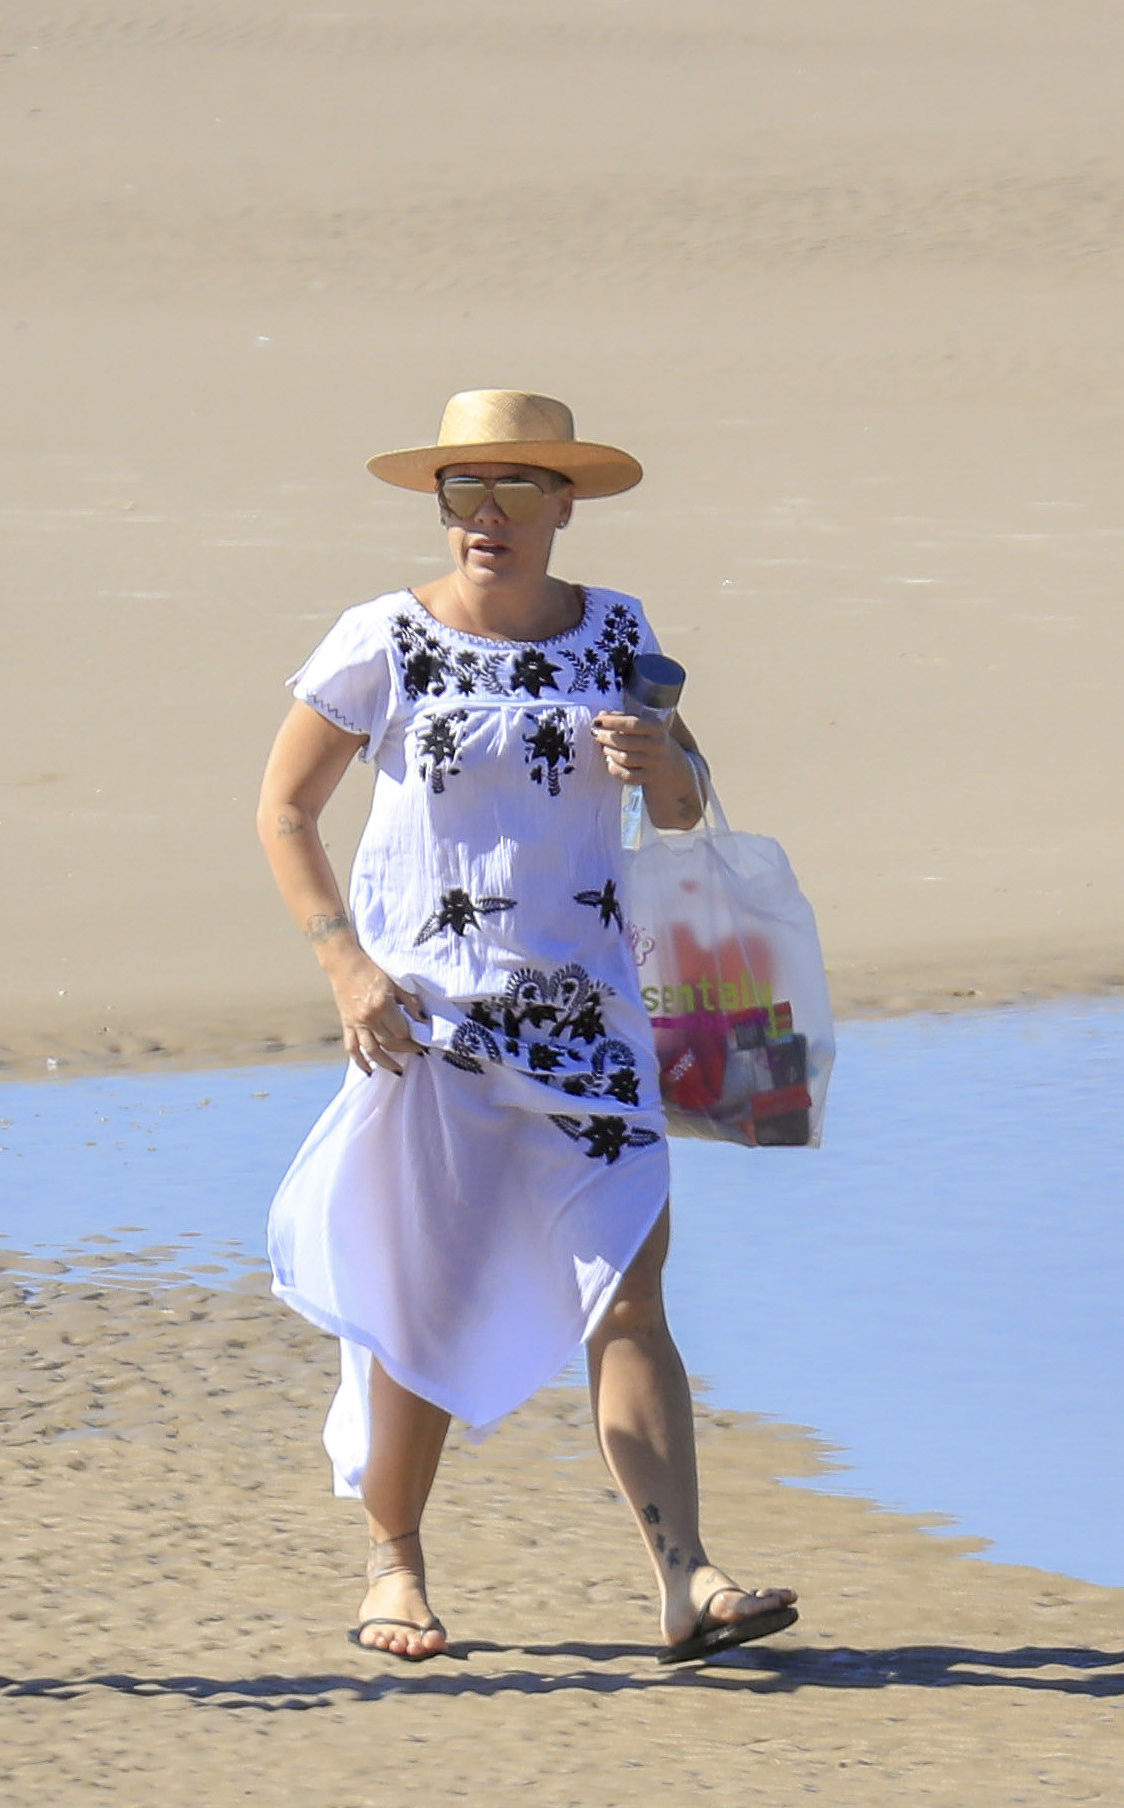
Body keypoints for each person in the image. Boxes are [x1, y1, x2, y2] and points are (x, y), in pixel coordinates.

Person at [256, 390, 797, 1664]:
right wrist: (345, 965)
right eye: (463, 491)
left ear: (564, 505)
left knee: (628, 1293)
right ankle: (394, 1567)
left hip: (594, 1024)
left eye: (513, 490)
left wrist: (661, 763)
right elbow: (283, 811)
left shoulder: (618, 630)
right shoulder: (383, 638)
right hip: (429, 1024)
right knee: (419, 1296)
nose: (485, 516)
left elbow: (684, 806)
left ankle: (686, 1578)